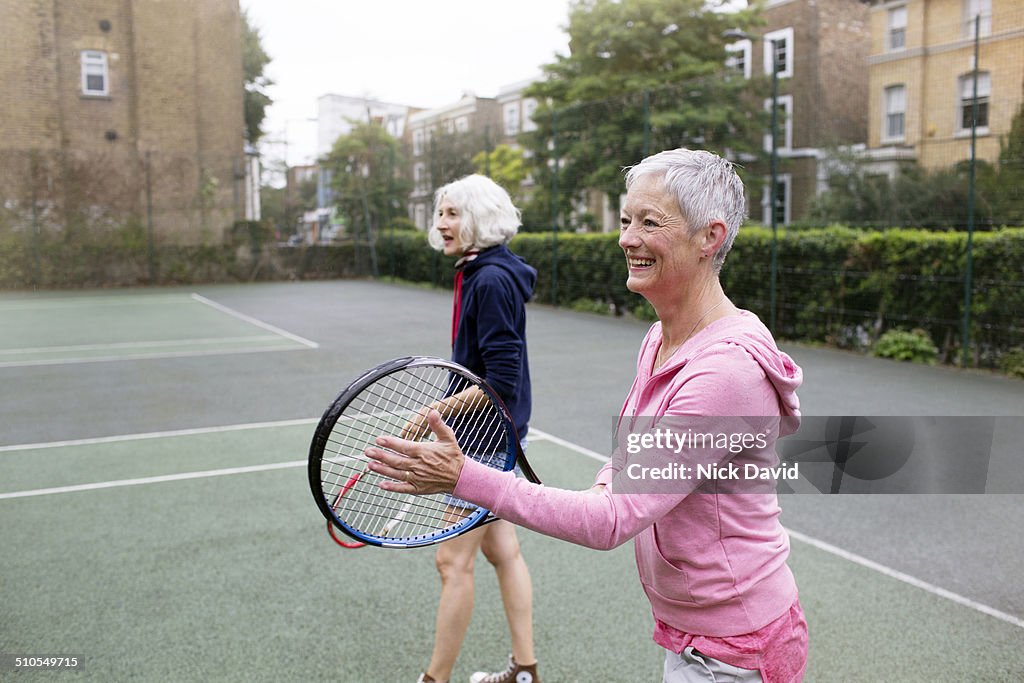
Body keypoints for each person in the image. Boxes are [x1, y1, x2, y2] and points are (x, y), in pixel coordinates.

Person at [368, 150, 809, 682]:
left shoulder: (725, 375)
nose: (627, 238)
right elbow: (628, 456)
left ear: (709, 237)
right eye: (626, 220)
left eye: (650, 222)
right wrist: (608, 487)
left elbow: (609, 523)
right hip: (696, 633)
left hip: (734, 651)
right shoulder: (661, 338)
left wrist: (462, 476)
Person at [415, 174, 541, 683]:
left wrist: (436, 413)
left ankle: (434, 679)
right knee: (501, 549)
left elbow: (501, 384)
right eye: (440, 213)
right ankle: (526, 670)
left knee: (452, 562)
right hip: (492, 433)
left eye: (452, 214)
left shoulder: (489, 281)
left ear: (479, 219)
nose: (442, 223)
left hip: (486, 439)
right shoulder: (484, 270)